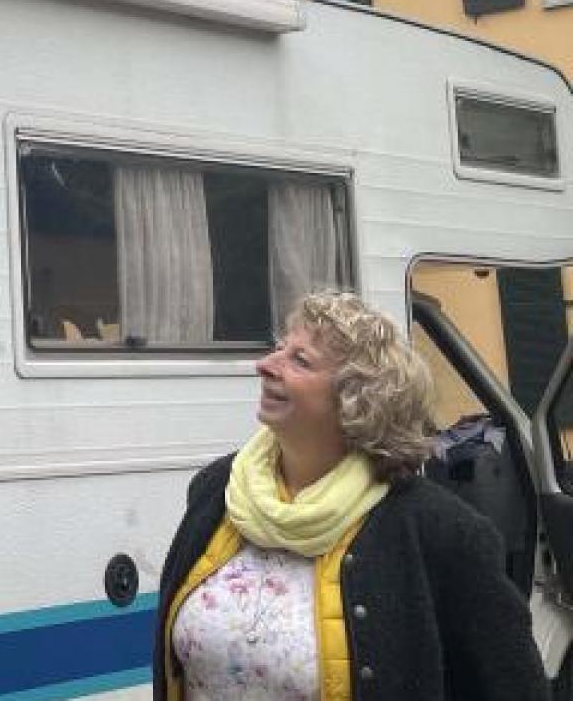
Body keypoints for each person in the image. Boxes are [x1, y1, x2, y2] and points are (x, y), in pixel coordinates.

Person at [155, 290, 550, 701]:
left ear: (357, 399)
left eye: (299, 360)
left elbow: (513, 686)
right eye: (279, 348)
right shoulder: (218, 489)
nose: (265, 365)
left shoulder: (442, 532)